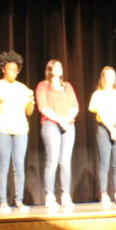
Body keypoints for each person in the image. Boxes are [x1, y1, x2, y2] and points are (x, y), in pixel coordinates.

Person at [0, 51, 35, 214]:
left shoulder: (23, 88)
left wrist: (31, 102)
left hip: (20, 130)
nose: (13, 72)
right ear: (3, 69)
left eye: (15, 70)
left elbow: (29, 112)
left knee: (19, 166)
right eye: (10, 69)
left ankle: (19, 201)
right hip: (2, 129)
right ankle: (3, 202)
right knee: (4, 165)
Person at [36, 59, 79, 211]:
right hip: (51, 124)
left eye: (61, 66)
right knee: (52, 161)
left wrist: (67, 120)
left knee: (65, 162)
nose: (59, 68)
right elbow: (43, 107)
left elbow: (75, 106)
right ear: (50, 69)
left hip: (68, 124)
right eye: (56, 66)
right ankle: (50, 196)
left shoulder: (67, 86)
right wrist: (60, 120)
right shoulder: (43, 86)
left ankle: (66, 195)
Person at [88, 66, 116, 206]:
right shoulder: (98, 94)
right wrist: (110, 129)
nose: (111, 78)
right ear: (103, 78)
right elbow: (100, 112)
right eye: (108, 76)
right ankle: (104, 193)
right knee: (105, 163)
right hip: (104, 129)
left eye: (113, 75)